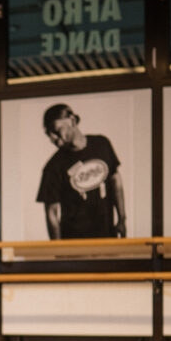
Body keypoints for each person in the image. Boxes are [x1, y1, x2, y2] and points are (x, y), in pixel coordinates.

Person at [36, 103, 126, 240]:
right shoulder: (53, 167)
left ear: (72, 120)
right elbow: (51, 212)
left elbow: (116, 181)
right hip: (74, 243)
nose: (53, 138)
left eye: (56, 130)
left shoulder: (102, 144)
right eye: (49, 134)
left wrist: (122, 219)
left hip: (107, 236)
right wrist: (57, 248)